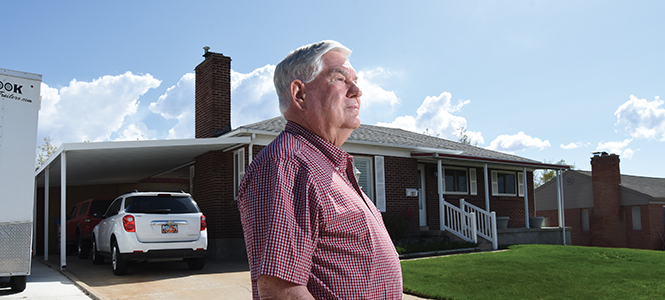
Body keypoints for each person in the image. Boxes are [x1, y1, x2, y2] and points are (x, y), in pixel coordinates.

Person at [238, 40, 403, 299]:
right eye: (340, 78)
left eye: (356, 80)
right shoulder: (287, 164)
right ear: (300, 94)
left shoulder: (325, 164)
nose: (357, 91)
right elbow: (282, 292)